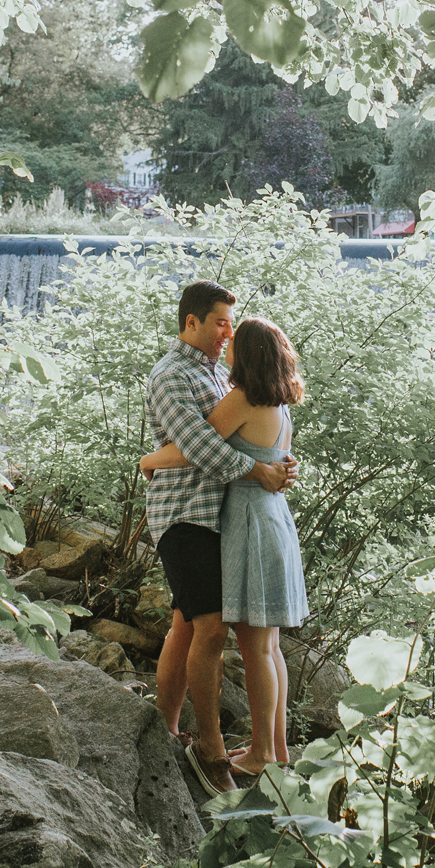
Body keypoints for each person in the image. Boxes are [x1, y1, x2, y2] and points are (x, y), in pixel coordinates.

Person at [143, 281, 297, 793]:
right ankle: (211, 751)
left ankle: (162, 730)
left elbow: (241, 430)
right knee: (209, 630)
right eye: (219, 323)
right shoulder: (170, 377)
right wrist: (260, 470)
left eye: (233, 325)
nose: (226, 334)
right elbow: (201, 448)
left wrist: (270, 464)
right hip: (185, 515)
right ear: (191, 322)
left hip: (221, 519)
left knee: (187, 627)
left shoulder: (216, 375)